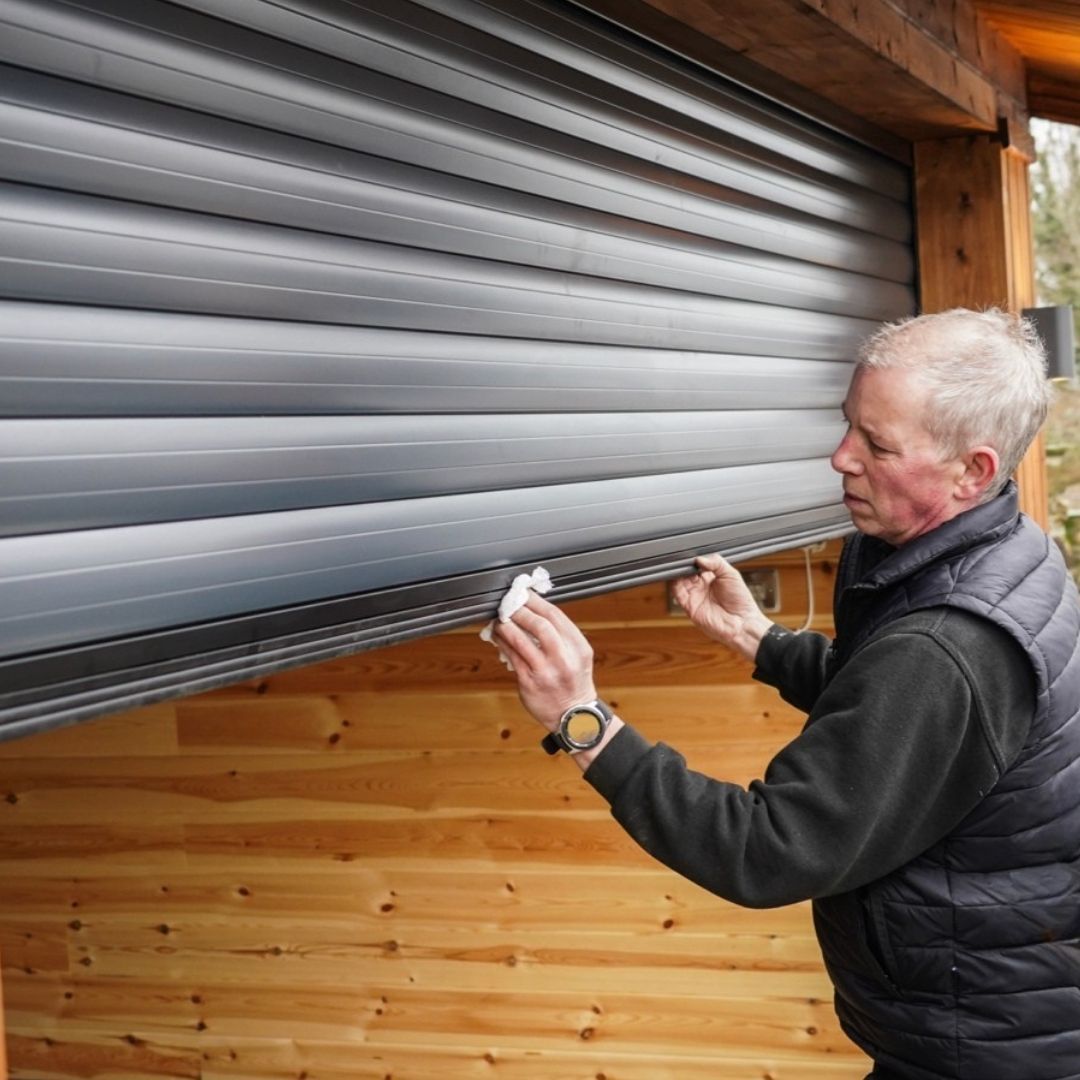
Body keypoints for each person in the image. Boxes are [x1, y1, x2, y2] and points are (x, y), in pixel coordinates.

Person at [491, 308, 1080, 1080]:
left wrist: (584, 722)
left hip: (981, 1051)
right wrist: (758, 640)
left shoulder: (948, 644)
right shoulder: (1007, 552)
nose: (841, 457)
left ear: (973, 468)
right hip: (1004, 1017)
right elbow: (896, 716)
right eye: (849, 426)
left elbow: (768, 851)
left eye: (877, 444)